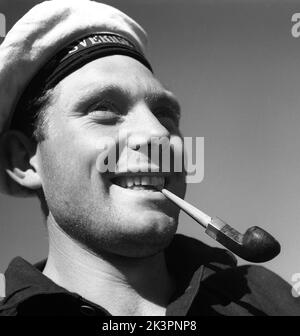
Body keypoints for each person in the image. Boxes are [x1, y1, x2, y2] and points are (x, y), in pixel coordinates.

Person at [0, 0, 299, 316]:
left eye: (165, 115)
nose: (158, 134)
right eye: (103, 109)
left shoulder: (268, 299)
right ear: (23, 160)